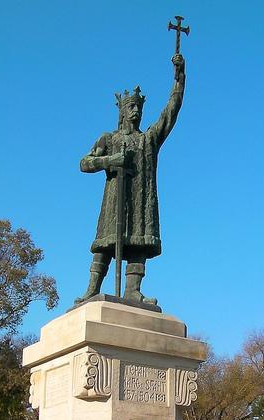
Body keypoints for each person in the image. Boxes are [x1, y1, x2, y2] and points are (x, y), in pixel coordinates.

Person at [75, 54, 186, 305]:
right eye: (131, 107)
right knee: (105, 244)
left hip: (140, 203)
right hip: (115, 203)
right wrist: (109, 161)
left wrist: (179, 78)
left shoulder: (148, 139)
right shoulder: (109, 138)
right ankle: (92, 290)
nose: (136, 111)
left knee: (138, 244)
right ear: (123, 111)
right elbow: (84, 163)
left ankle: (132, 291)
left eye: (138, 107)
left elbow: (171, 111)